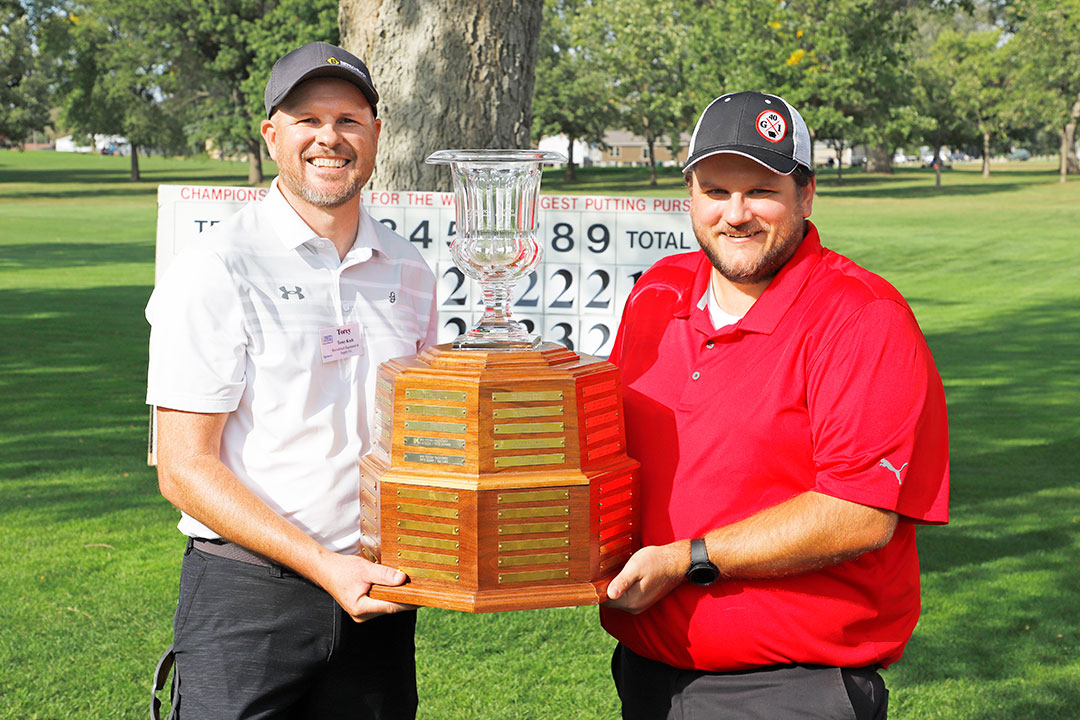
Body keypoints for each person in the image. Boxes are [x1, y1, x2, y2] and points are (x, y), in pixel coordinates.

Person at [600, 91, 949, 719]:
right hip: (647, 672)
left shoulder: (863, 318)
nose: (735, 214)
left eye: (761, 191)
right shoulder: (656, 290)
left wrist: (688, 560)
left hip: (787, 691)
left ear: (807, 194)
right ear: (691, 195)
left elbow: (858, 514)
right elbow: (608, 450)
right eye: (715, 191)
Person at [145, 41, 437, 719]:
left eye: (348, 120)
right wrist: (322, 565)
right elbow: (184, 469)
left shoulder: (408, 267)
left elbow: (421, 436)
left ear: (375, 136)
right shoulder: (216, 267)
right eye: (307, 119)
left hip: (375, 591)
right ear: (273, 135)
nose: (328, 138)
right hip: (249, 596)